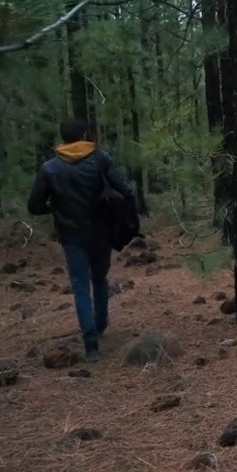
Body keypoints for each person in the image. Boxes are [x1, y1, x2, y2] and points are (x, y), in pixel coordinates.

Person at [27, 118, 137, 362]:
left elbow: (34, 206)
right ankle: (101, 325)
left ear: (63, 138)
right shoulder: (100, 159)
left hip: (71, 234)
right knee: (99, 279)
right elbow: (125, 190)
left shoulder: (49, 168)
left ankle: (91, 345)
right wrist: (129, 214)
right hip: (101, 232)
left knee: (79, 287)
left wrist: (56, 210)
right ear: (85, 135)